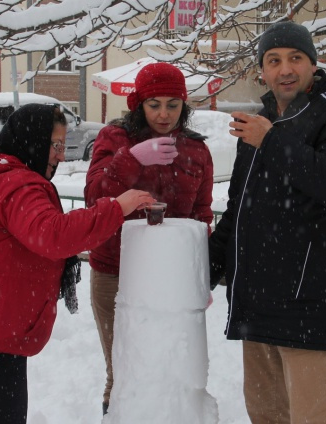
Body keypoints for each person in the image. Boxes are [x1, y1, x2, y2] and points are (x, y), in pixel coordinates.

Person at [0, 103, 155, 424]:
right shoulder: (17, 185)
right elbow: (53, 235)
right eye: (55, 145)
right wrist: (115, 208)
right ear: (32, 140)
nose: (60, 156)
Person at [208, 21, 326, 424]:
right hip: (255, 300)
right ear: (261, 71)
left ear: (313, 66)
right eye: (274, 60)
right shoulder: (259, 124)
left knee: (311, 416)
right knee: (265, 414)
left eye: (296, 58)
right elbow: (238, 210)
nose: (285, 69)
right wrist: (205, 268)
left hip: (306, 302)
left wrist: (271, 141)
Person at [84, 62, 214, 415]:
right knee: (123, 364)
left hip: (173, 275)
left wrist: (202, 278)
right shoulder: (115, 139)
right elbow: (95, 196)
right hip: (116, 269)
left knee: (170, 361)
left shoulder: (197, 150)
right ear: (138, 103)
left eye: (173, 105)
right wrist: (131, 159)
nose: (163, 114)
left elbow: (202, 216)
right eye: (154, 104)